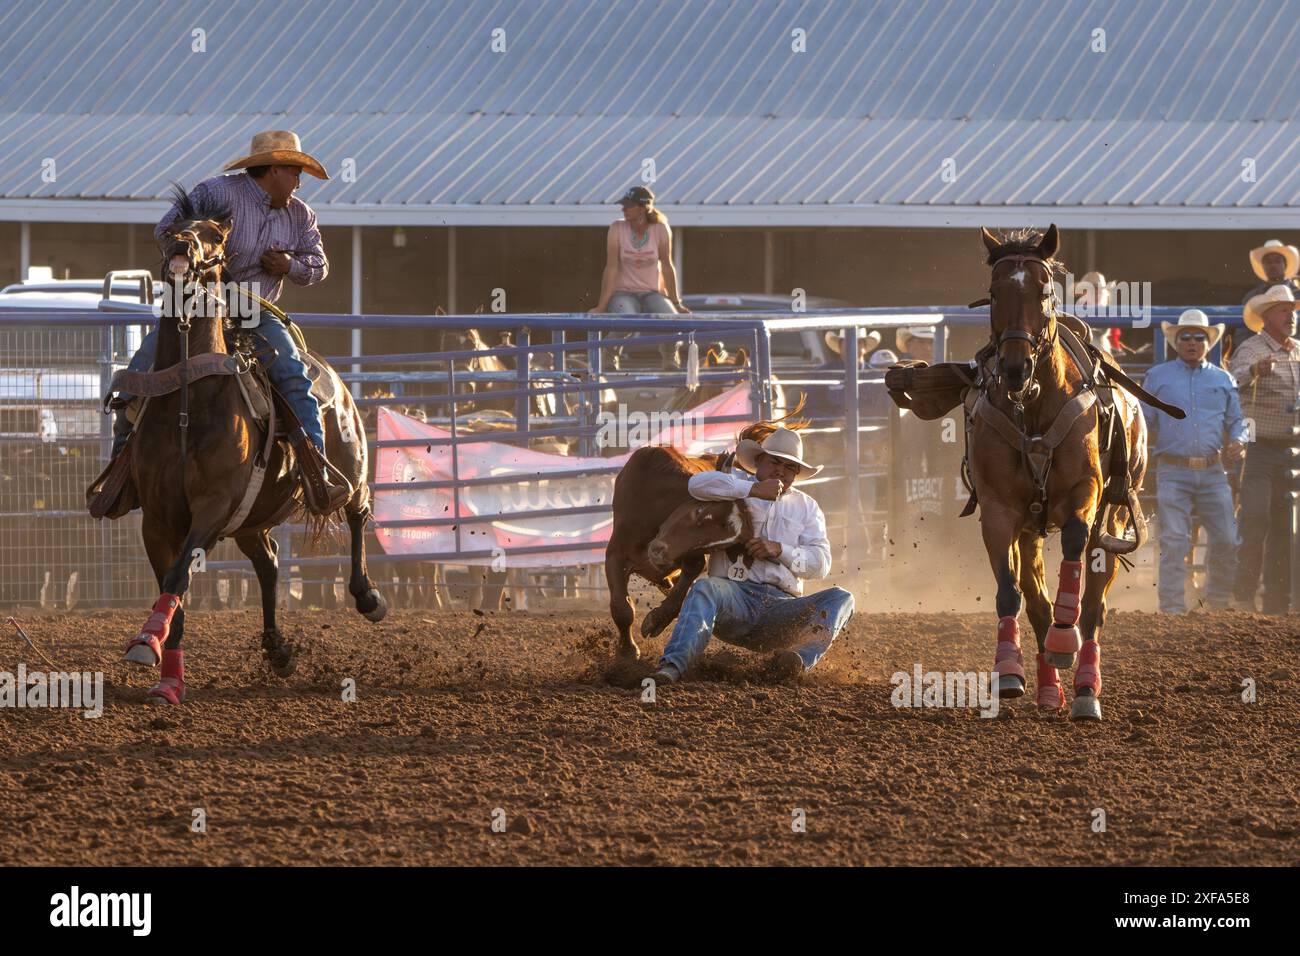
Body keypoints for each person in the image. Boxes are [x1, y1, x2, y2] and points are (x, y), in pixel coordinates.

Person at [109, 130, 349, 513]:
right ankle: (121, 468)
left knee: (293, 376)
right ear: (273, 169)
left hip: (258, 313)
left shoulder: (301, 214)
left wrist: (290, 265)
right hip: (199, 308)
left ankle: (317, 472)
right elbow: (165, 230)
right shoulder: (216, 193)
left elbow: (318, 266)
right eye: (295, 170)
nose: (300, 180)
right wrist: (198, 253)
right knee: (142, 369)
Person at [651, 428, 855, 684]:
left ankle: (797, 661)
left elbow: (820, 564)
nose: (780, 470)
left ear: (796, 474)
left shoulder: (807, 507)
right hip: (734, 596)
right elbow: (696, 485)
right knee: (705, 588)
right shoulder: (734, 487)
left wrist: (781, 550)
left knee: (842, 598)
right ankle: (672, 667)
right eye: (774, 461)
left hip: (782, 609)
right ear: (759, 461)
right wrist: (753, 490)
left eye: (789, 466)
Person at [1141, 310, 1245, 613]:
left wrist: (1240, 440)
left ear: (1208, 342)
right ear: (1175, 341)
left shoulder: (1223, 379)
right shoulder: (1157, 377)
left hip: (1214, 471)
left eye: (1198, 336)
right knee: (1174, 540)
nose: (1191, 342)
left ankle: (1218, 602)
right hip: (1172, 470)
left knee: (1227, 538)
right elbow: (1143, 422)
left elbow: (1240, 421)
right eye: (1184, 336)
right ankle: (1172, 608)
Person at [1229, 285, 1300, 613]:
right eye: (1284, 310)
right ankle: (1244, 593)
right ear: (1267, 315)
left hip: (1292, 451)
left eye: (1293, 310)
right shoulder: (1252, 349)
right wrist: (1255, 371)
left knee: (1286, 527)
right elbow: (1235, 379)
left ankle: (1277, 600)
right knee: (1255, 518)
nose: (1292, 315)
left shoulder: (1297, 351)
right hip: (1259, 449)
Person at [589, 185, 688, 369]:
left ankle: (669, 357)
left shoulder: (660, 228)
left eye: (629, 206)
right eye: (623, 206)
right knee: (626, 319)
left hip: (651, 291)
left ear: (643, 208)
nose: (623, 209)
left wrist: (676, 302)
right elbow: (611, 268)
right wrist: (601, 305)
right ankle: (610, 355)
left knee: (673, 320)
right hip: (623, 292)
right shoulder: (617, 228)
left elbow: (667, 265)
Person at [802, 328, 882, 423]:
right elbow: (808, 410)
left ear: (865, 347)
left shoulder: (877, 376)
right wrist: (832, 422)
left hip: (871, 433)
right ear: (840, 346)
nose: (854, 345)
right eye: (848, 341)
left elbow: (884, 412)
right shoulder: (822, 373)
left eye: (859, 342)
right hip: (830, 435)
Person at [1241, 239, 1300, 304]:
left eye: (1278, 261)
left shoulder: (1298, 295)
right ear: (1262, 266)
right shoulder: (1252, 297)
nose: (1273, 265)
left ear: (1285, 265)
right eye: (1268, 262)